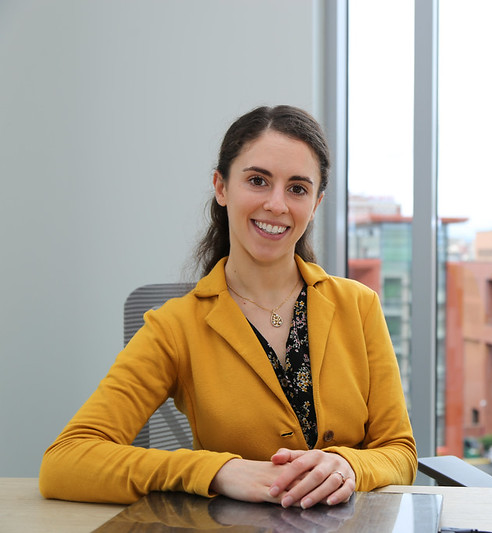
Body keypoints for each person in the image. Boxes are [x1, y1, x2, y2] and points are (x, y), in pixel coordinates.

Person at [39, 105, 417, 508]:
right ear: (221, 187)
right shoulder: (175, 326)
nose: (276, 204)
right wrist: (217, 471)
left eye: (297, 188)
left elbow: (399, 452)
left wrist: (349, 466)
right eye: (258, 180)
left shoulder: (358, 306)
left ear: (316, 202)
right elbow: (65, 461)